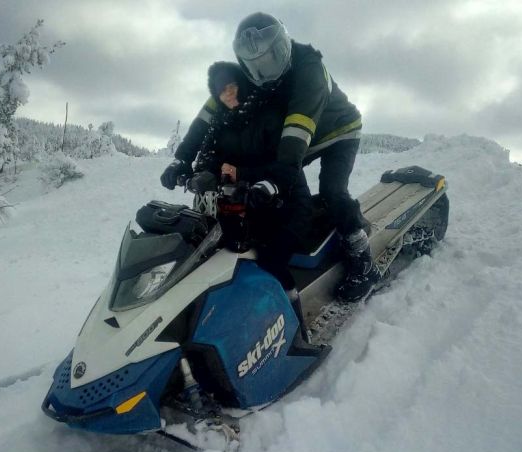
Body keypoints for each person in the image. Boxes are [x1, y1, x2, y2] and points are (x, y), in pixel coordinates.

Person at [161, 13, 377, 302]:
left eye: (272, 57)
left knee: (332, 191)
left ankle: (362, 260)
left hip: (337, 132)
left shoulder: (308, 70)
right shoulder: (250, 78)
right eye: (255, 65)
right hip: (298, 136)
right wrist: (182, 159)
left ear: (284, 43)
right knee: (280, 191)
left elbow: (294, 138)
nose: (266, 70)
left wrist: (274, 179)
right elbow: (206, 116)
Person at [164, 61, 314, 337]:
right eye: (222, 91)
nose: (228, 95)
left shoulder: (269, 115)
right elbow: (208, 156)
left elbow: (286, 167)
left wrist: (247, 175)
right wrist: (193, 173)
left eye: (232, 86)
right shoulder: (220, 123)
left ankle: (297, 329)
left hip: (289, 201)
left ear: (242, 84)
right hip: (252, 206)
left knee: (271, 259)